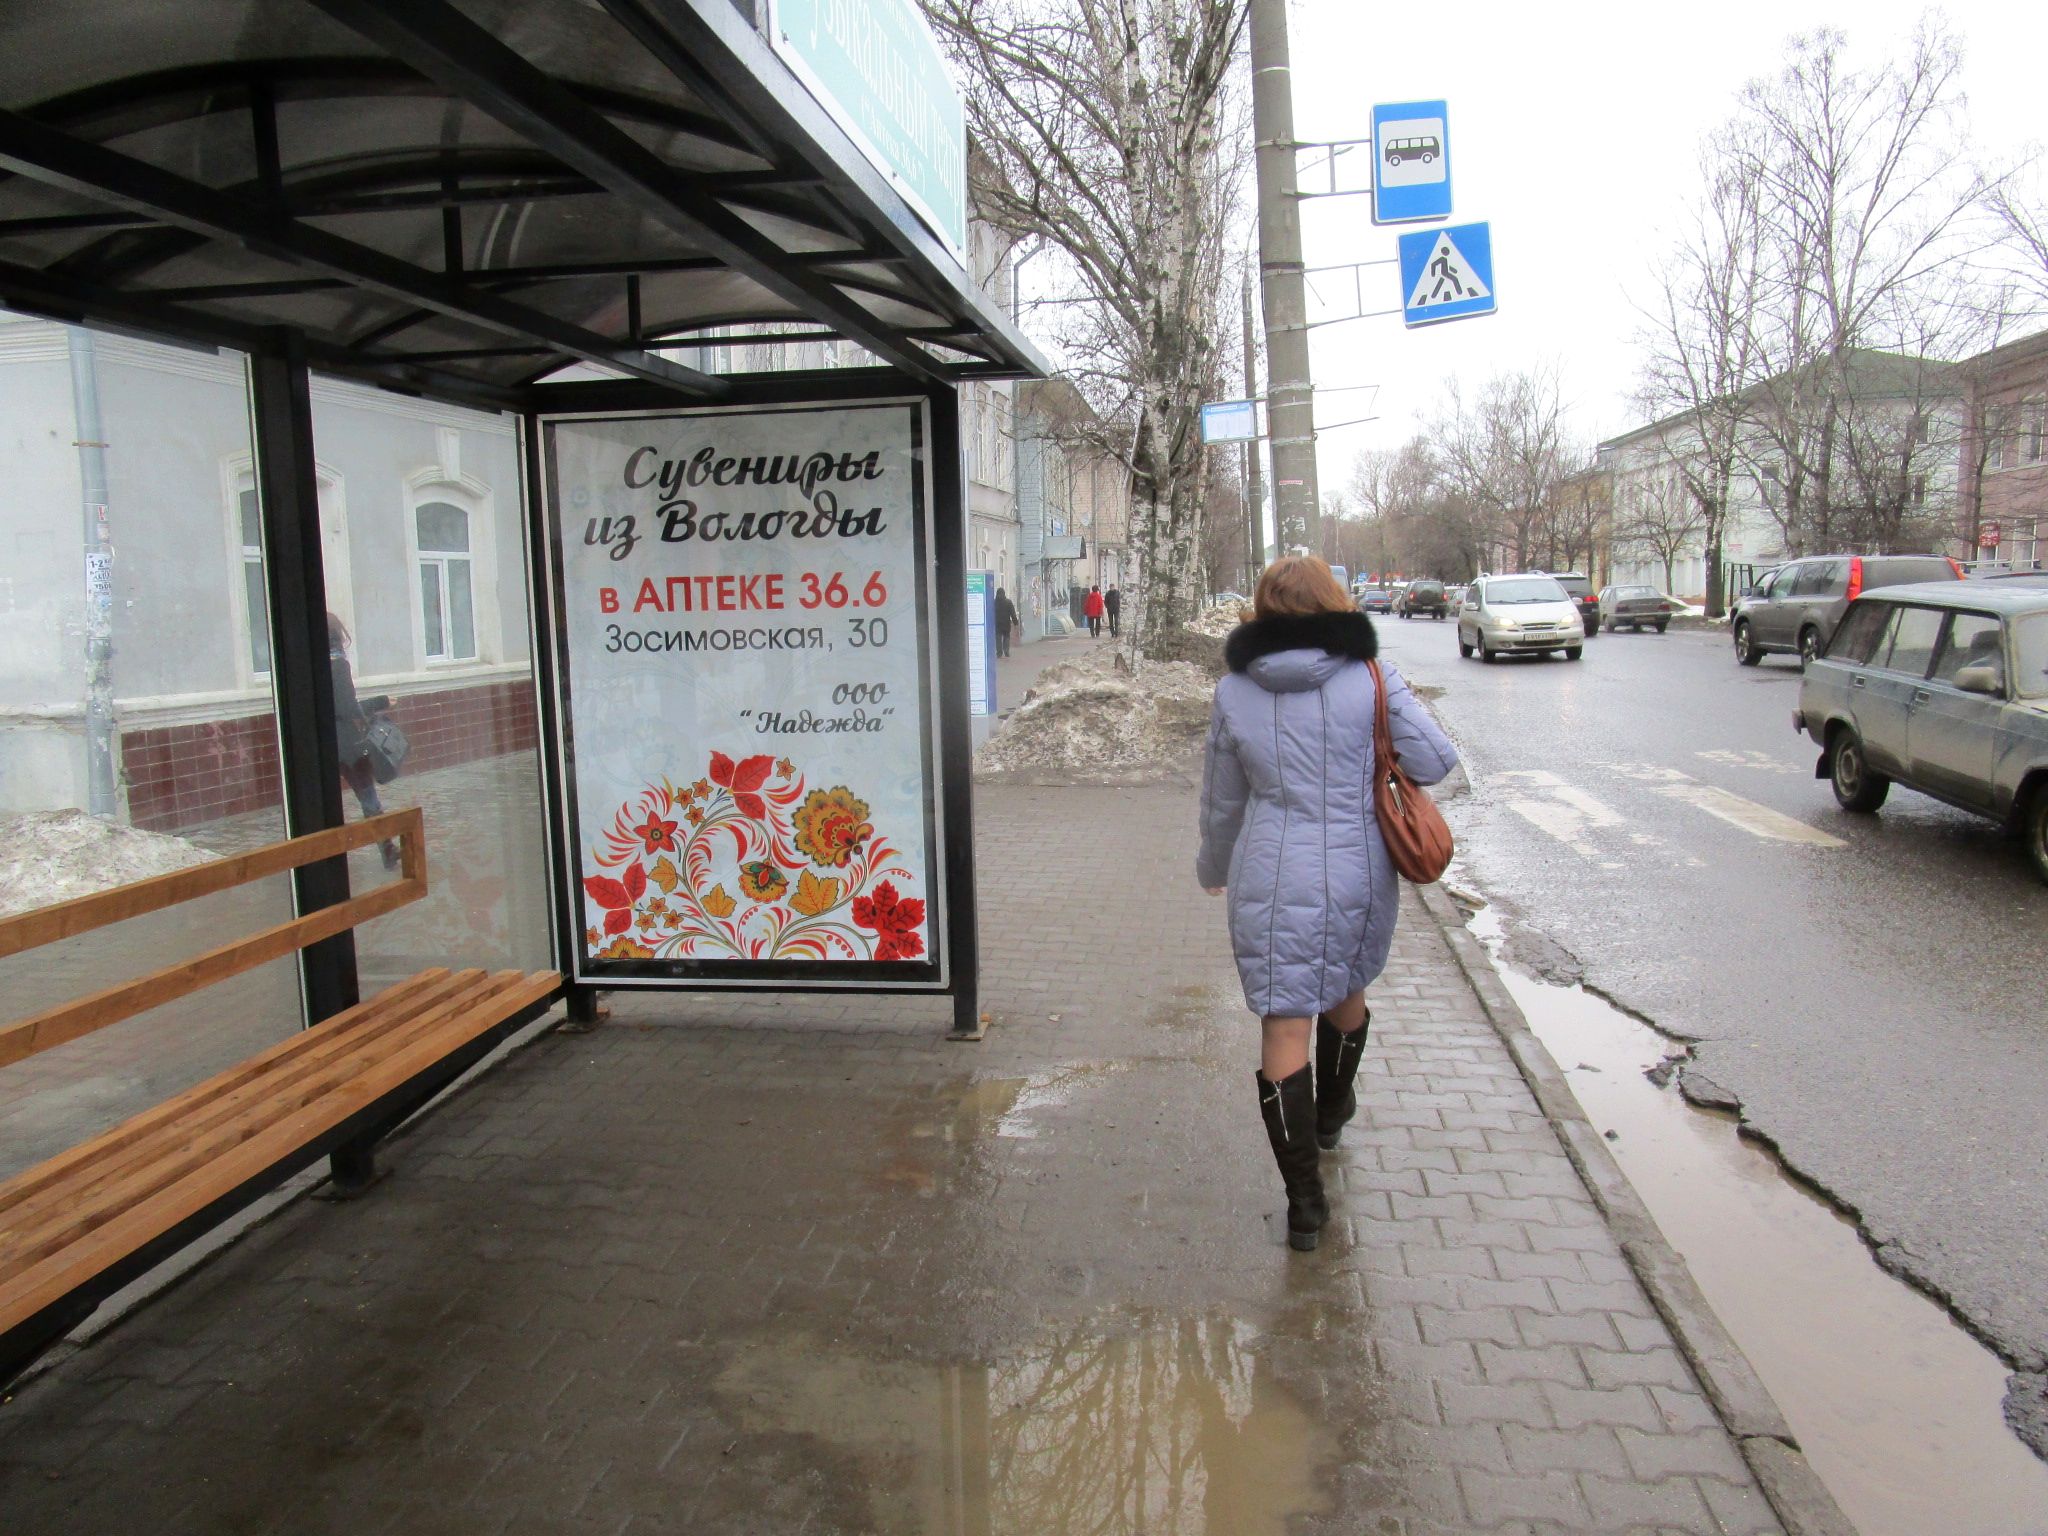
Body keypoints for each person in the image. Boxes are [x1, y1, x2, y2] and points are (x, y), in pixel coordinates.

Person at [1196, 556, 1458, 1251]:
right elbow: (1434, 761)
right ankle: (1335, 1110)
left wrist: (1212, 865)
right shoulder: (1371, 677)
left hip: (1269, 873)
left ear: (1264, 612)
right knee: (1346, 987)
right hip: (1356, 869)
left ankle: (1306, 1206)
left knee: (1284, 1027)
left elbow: (1223, 800)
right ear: (1334, 604)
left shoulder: (1233, 691)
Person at [329, 613, 401, 871]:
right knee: (368, 797)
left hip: (319, 745)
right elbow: (348, 709)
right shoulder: (337, 664)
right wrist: (381, 702)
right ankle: (388, 849)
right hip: (348, 745)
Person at [992, 585, 1017, 658]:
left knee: (998, 638)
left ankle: (999, 653)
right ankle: (1006, 651)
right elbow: (1013, 613)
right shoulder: (1008, 602)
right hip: (1006, 624)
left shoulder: (994, 603)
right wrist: (1015, 623)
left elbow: (991, 613)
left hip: (997, 624)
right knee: (1006, 637)